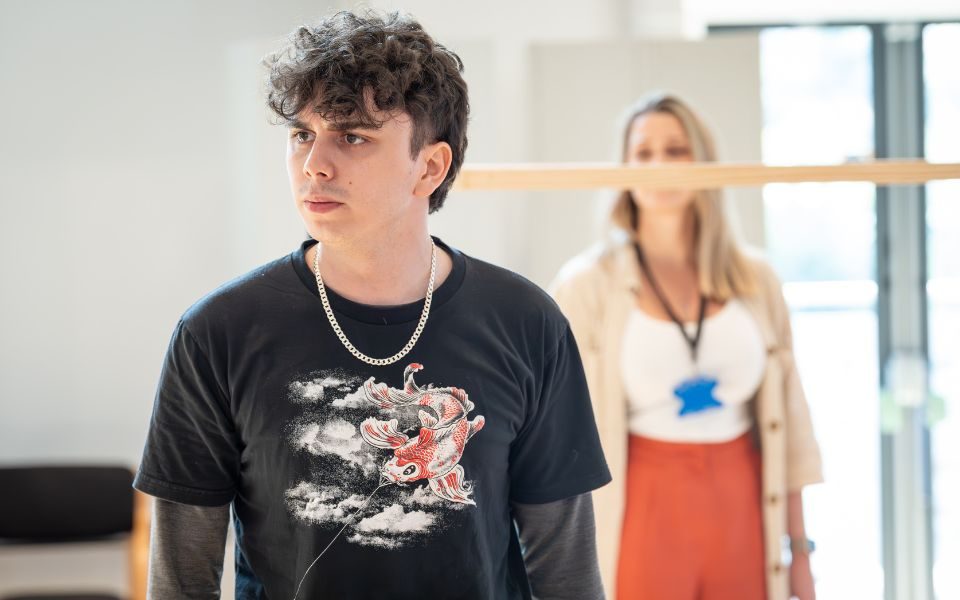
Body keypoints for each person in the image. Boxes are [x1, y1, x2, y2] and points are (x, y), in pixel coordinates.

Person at [134, 11, 610, 599]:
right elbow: (180, 582)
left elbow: (566, 572)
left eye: (352, 136)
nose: (314, 164)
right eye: (302, 134)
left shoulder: (527, 322)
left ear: (429, 166)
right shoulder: (216, 332)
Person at [550, 93, 823, 600]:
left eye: (676, 150)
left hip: (744, 495)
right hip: (641, 501)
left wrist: (800, 550)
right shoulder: (587, 284)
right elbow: (555, 437)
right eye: (644, 153)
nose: (660, 166)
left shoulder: (756, 279)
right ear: (625, 168)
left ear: (703, 162)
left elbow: (793, 421)